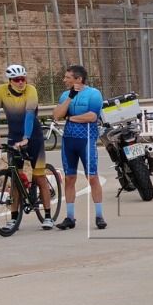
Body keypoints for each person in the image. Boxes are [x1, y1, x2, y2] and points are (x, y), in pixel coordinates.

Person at [0, 63, 54, 230]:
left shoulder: (31, 90)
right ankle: (14, 218)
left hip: (33, 136)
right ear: (10, 81)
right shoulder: (1, 91)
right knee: (15, 179)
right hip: (14, 136)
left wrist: (26, 138)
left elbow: (29, 116)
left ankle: (48, 216)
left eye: (23, 79)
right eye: (17, 79)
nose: (21, 82)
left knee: (39, 176)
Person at [53, 65, 105, 231]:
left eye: (68, 77)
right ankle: (70, 217)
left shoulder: (94, 94)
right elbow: (57, 115)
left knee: (92, 177)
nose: (64, 80)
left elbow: (92, 116)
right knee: (69, 178)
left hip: (86, 140)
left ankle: (99, 216)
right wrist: (70, 98)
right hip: (68, 141)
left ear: (79, 79)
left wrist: (71, 118)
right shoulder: (65, 95)